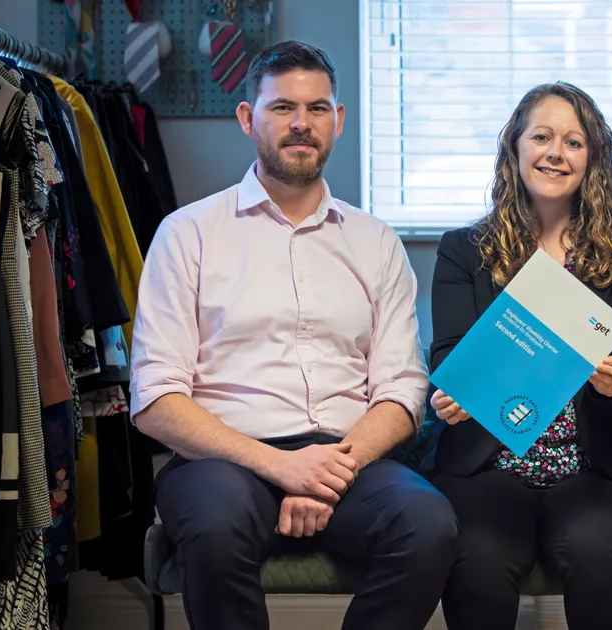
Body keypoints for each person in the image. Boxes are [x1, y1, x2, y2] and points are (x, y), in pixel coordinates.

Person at [129, 40, 457, 630]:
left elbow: (403, 390)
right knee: (216, 529)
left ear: (338, 120)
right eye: (282, 108)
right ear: (247, 118)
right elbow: (155, 400)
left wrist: (329, 468)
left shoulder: (375, 240)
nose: (301, 124)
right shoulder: (188, 234)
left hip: (349, 454)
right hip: (224, 459)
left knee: (428, 524)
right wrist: (282, 468)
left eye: (318, 108)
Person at [427, 81, 612, 630]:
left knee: (600, 556)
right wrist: (453, 393)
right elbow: (450, 356)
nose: (555, 152)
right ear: (515, 148)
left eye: (574, 142)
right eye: (541, 136)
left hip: (591, 468)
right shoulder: (464, 250)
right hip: (485, 463)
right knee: (478, 560)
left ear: (593, 161)